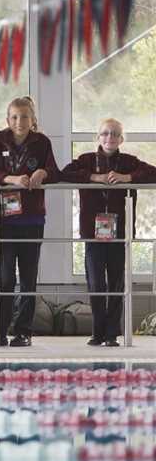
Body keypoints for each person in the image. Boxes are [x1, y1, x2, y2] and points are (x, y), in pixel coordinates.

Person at [61, 118, 156, 346]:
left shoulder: (129, 162)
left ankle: (112, 334)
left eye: (114, 134)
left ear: (121, 139)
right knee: (95, 282)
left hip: (119, 232)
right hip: (93, 233)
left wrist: (128, 178)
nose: (109, 137)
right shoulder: (85, 160)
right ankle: (98, 332)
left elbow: (153, 172)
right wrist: (94, 178)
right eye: (105, 133)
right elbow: (63, 173)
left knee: (116, 283)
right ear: (98, 137)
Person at [0, 96, 59, 347]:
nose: (19, 121)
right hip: (5, 219)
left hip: (32, 218)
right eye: (14, 116)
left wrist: (43, 172)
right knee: (4, 277)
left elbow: (55, 171)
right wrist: (11, 179)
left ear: (33, 119)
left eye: (25, 116)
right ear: (7, 119)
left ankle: (23, 331)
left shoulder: (42, 142)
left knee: (27, 277)